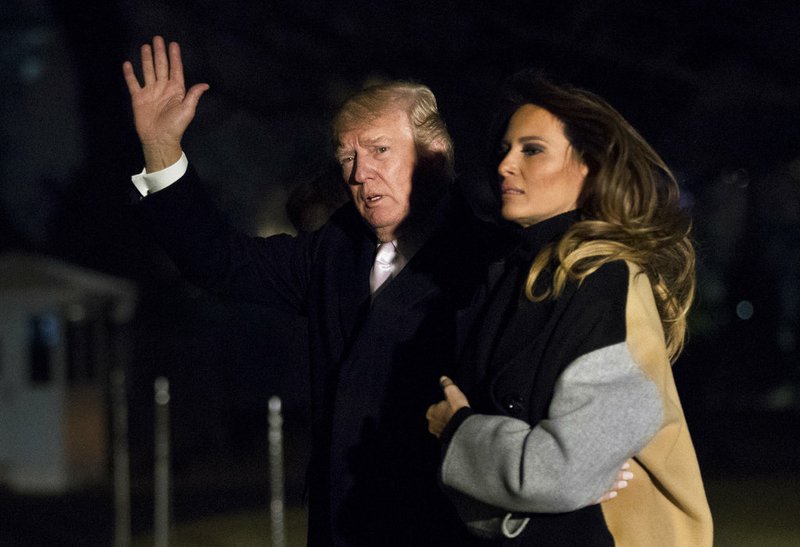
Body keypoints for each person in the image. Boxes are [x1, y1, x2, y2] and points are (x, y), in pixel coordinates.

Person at [122, 36, 502, 545]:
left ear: (435, 153)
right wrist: (161, 147)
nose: (360, 175)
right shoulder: (334, 252)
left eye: (380, 150)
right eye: (347, 159)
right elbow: (218, 260)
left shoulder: (494, 261)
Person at [426, 70, 714, 546]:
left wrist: (457, 432)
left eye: (532, 150)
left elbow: (559, 472)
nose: (505, 166)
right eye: (505, 149)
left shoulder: (606, 281)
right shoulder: (514, 275)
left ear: (590, 168)